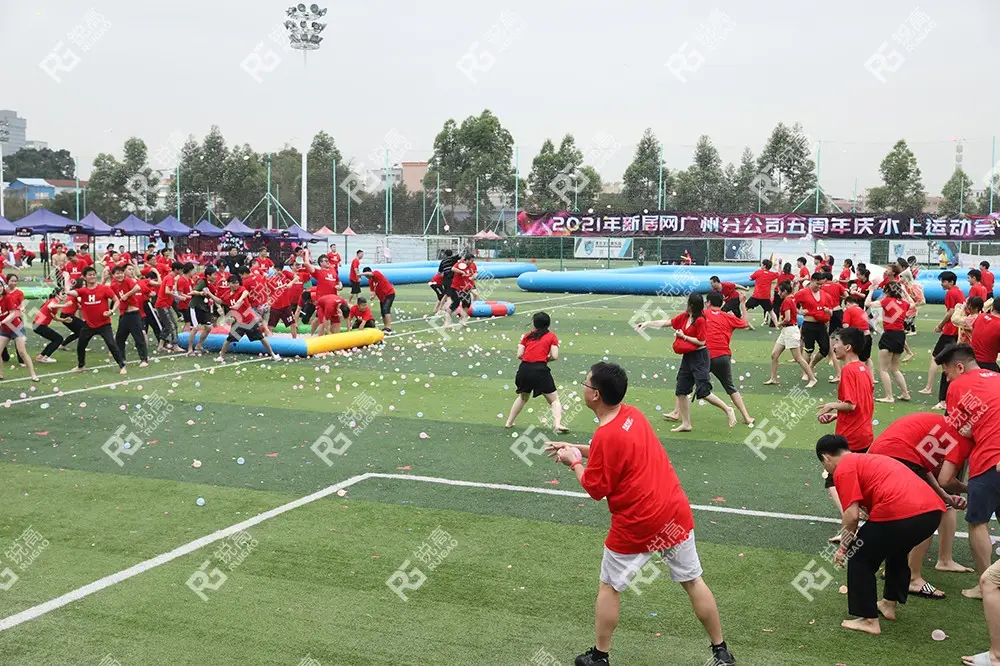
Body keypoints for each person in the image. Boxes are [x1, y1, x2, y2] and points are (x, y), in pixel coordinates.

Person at [545, 362, 736, 666]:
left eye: (586, 383)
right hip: (673, 513)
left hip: (638, 523)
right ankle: (721, 651)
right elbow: (611, 450)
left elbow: (595, 488)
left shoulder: (607, 434)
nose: (583, 387)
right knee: (693, 581)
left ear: (596, 395)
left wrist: (574, 462)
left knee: (610, 586)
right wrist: (576, 448)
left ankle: (600, 656)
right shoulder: (632, 414)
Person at [815, 434, 946, 635]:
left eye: (824, 465)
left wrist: (843, 547)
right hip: (932, 513)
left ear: (826, 458)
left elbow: (851, 516)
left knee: (859, 557)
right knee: (896, 550)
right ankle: (889, 604)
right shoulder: (868, 458)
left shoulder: (843, 468)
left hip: (902, 511)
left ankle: (868, 620)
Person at [868, 413, 973, 600]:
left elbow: (923, 467)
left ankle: (898, 569)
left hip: (885, 455)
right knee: (925, 514)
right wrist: (972, 489)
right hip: (893, 457)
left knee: (911, 514)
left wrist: (944, 496)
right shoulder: (960, 437)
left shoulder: (942, 428)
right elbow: (945, 480)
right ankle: (913, 577)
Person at [933, 344, 1000, 601]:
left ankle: (987, 585)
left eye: (947, 373)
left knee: (977, 522)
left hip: (990, 458)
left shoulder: (958, 387)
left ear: (959, 367)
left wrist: (947, 477)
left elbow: (956, 434)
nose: (948, 379)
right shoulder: (996, 377)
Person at [637, 293, 737, 432]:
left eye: (688, 303)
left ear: (691, 305)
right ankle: (686, 423)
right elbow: (667, 322)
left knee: (703, 391)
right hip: (688, 357)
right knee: (681, 390)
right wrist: (648, 323)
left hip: (700, 357)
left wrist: (684, 336)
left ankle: (728, 409)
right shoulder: (685, 317)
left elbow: (701, 341)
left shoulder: (700, 320)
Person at [817, 327, 874, 538]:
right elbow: (861, 403)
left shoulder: (849, 371)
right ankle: (862, 517)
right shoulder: (863, 369)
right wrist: (837, 415)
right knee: (855, 480)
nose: (834, 347)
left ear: (848, 347)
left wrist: (832, 405)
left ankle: (850, 526)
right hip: (864, 432)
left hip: (851, 437)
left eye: (837, 343)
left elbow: (851, 405)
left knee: (834, 480)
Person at [503, 311, 569, 432]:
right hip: (540, 370)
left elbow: (519, 355)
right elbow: (554, 356)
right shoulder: (551, 336)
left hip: (524, 369)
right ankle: (558, 424)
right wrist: (543, 359)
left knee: (523, 397)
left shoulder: (527, 336)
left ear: (534, 324)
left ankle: (509, 422)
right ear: (548, 323)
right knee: (554, 400)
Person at [703, 291, 754, 425]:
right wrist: (742, 304)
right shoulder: (727, 317)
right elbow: (745, 323)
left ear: (708, 302)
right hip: (723, 356)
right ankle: (746, 416)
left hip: (704, 356)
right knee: (730, 387)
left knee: (685, 383)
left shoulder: (703, 314)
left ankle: (677, 412)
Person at [204, 274, 280, 363]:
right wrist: (209, 294)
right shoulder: (227, 294)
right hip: (238, 322)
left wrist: (240, 300)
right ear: (229, 284)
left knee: (261, 338)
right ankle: (221, 356)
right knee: (229, 339)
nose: (236, 285)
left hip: (249, 320)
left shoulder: (241, 289)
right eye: (233, 283)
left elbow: (245, 292)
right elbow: (220, 301)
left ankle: (273, 354)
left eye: (237, 283)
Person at [920, 271, 966, 410]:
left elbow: (951, 312)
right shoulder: (959, 291)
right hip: (957, 330)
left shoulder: (951, 293)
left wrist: (940, 325)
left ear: (951, 282)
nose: (941, 284)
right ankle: (947, 396)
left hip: (950, 330)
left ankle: (932, 390)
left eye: (944, 281)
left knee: (937, 358)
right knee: (949, 362)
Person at [68, 267, 127, 375]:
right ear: (84, 277)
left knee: (111, 344)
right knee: (81, 345)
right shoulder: (83, 291)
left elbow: (116, 300)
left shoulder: (104, 288)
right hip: (89, 325)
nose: (92, 276)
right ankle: (81, 366)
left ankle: (122, 366)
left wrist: (111, 311)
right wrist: (66, 278)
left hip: (104, 324)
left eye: (94, 274)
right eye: (89, 275)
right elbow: (69, 292)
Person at [865, 282, 912, 403]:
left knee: (883, 369)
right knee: (895, 369)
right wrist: (905, 291)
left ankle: (889, 396)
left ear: (886, 291)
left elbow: (867, 304)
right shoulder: (904, 303)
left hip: (890, 335)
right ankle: (905, 393)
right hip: (900, 335)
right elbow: (912, 303)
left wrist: (871, 291)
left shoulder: (887, 301)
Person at [766, 282, 817, 387]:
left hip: (790, 330)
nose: (778, 293)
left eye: (780, 291)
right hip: (787, 331)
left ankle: (812, 378)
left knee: (798, 358)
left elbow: (787, 318)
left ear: (785, 291)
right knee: (774, 355)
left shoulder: (787, 301)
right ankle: (773, 378)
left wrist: (779, 323)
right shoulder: (792, 298)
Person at [794, 272, 835, 378]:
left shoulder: (824, 294)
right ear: (812, 281)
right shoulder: (803, 293)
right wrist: (799, 311)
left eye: (821, 284)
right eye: (817, 284)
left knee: (825, 348)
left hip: (821, 325)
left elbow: (831, 311)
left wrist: (828, 311)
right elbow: (791, 303)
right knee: (808, 349)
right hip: (809, 324)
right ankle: (805, 373)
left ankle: (812, 364)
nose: (819, 286)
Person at [0, 276, 39, 381]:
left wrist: (3, 321)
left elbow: (13, 313)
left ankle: (33, 375)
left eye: (0, 286)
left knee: (22, 352)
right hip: (5, 330)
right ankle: (0, 374)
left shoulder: (7, 298)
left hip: (16, 327)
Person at [109, 265, 149, 367]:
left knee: (138, 337)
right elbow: (112, 297)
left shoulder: (128, 281)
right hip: (124, 314)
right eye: (117, 273)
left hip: (134, 314)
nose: (120, 275)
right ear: (113, 275)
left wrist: (127, 295)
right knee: (120, 338)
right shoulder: (113, 286)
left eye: (121, 273)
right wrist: (111, 310)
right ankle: (122, 359)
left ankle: (144, 359)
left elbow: (137, 287)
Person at [32, 288, 69, 364]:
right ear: (57, 295)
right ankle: (45, 357)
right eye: (62, 293)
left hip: (37, 325)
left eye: (65, 293)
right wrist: (65, 305)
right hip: (39, 325)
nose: (65, 295)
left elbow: (54, 317)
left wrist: (64, 320)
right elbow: (50, 306)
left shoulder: (55, 303)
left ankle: (41, 357)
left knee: (56, 339)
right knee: (59, 339)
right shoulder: (54, 301)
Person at [187, 265, 217, 354]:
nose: (216, 276)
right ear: (208, 276)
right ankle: (190, 349)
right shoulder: (202, 282)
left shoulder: (211, 284)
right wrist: (201, 293)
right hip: (195, 307)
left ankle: (199, 345)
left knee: (208, 327)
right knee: (195, 328)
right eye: (214, 275)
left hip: (204, 307)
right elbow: (193, 292)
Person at [153, 261, 182, 352]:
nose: (181, 271)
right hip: (163, 305)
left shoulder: (170, 277)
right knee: (173, 325)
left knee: (167, 326)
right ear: (176, 270)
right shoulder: (170, 278)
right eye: (180, 270)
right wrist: (178, 296)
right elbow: (167, 291)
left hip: (164, 305)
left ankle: (160, 346)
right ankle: (175, 345)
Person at [747, 259, 781, 327]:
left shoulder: (758, 272)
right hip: (765, 297)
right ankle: (776, 325)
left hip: (756, 296)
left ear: (764, 265)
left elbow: (750, 278)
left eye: (762, 264)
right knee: (771, 312)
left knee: (745, 308)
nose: (761, 265)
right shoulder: (771, 274)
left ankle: (742, 322)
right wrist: (780, 264)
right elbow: (779, 273)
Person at [361, 266, 395, 333]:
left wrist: (360, 274)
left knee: (386, 309)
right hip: (382, 297)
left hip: (389, 294)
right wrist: (372, 296)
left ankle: (388, 328)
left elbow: (370, 274)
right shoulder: (370, 281)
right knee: (383, 312)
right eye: (366, 276)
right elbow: (373, 291)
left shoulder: (376, 273)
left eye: (367, 275)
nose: (367, 277)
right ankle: (385, 327)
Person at [972, 298, 1000, 372]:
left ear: (992, 307)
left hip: (972, 362)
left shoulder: (980, 316)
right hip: (987, 364)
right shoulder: (998, 324)